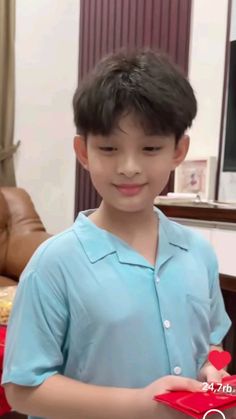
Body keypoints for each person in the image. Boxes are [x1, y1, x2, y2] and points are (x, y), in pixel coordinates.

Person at [2, 49, 234, 419]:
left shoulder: (198, 253)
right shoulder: (54, 264)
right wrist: (141, 405)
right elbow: (23, 389)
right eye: (109, 149)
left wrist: (211, 372)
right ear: (83, 151)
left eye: (150, 148)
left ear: (178, 151)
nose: (129, 167)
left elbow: (209, 342)